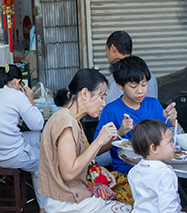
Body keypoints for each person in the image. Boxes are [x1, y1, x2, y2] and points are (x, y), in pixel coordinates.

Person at [38, 68, 132, 213]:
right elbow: (69, 173)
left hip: (72, 197)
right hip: (67, 203)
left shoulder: (72, 119)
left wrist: (100, 169)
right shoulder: (65, 122)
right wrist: (99, 141)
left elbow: (78, 159)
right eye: (101, 97)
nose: (104, 103)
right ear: (85, 93)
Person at [0, 64, 47, 210]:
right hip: (10, 156)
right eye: (20, 84)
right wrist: (30, 100)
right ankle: (44, 208)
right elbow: (38, 124)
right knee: (43, 162)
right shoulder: (16, 95)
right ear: (15, 82)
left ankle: (29, 159)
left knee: (37, 137)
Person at [94, 56, 179, 174]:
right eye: (133, 86)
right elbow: (97, 150)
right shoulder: (111, 110)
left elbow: (179, 139)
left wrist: (173, 120)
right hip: (127, 169)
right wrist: (120, 133)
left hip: (158, 168)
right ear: (120, 85)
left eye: (144, 85)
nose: (140, 91)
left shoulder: (153, 104)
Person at [127, 119, 182, 213]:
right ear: (153, 148)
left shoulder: (133, 171)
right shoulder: (165, 174)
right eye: (169, 141)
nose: (173, 145)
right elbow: (169, 209)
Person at [104, 31, 158, 104]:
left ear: (113, 48)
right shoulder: (148, 74)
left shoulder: (120, 74)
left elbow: (110, 103)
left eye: (107, 50)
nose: (140, 91)